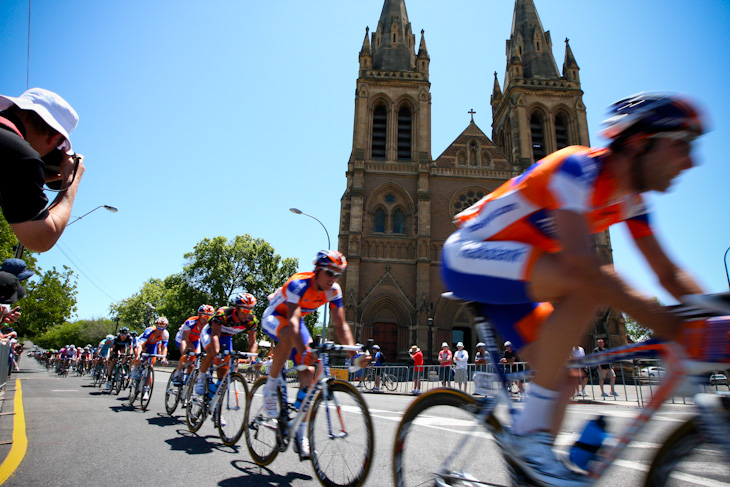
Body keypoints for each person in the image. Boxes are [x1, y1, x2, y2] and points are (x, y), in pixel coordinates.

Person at [440, 92, 709, 485]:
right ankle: (528, 439)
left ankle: (532, 472)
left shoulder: (629, 199)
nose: (690, 160)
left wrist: (713, 315)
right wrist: (677, 327)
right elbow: (584, 267)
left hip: (516, 282)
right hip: (470, 255)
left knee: (563, 378)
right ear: (638, 144)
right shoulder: (575, 169)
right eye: (680, 145)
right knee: (587, 283)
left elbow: (669, 275)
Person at [260, 250, 366, 460]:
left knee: (308, 372)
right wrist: (304, 351)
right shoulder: (298, 284)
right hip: (276, 317)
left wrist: (355, 354)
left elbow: (341, 324)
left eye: (338, 275)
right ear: (317, 270)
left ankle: (300, 435)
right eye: (329, 273)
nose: (333, 279)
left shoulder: (333, 290)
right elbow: (292, 321)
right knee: (290, 336)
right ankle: (270, 386)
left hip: (296, 323)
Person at [0, 88, 85, 252]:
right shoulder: (20, 156)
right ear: (55, 138)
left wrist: (26, 182)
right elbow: (40, 240)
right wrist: (71, 182)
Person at [195, 293, 259, 395]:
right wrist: (216, 352)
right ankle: (201, 378)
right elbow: (215, 335)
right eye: (244, 310)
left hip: (227, 337)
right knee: (212, 353)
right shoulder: (223, 313)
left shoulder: (251, 320)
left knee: (224, 365)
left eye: (249, 311)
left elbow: (253, 342)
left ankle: (216, 393)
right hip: (211, 332)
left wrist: (253, 360)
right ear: (237, 308)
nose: (246, 314)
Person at [171, 304, 215, 386]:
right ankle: (177, 374)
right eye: (204, 317)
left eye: (209, 318)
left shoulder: (211, 325)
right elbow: (184, 339)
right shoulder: (191, 322)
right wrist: (184, 353)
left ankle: (188, 382)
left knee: (193, 363)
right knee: (187, 353)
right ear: (199, 315)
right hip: (182, 338)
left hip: (195, 340)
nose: (206, 320)